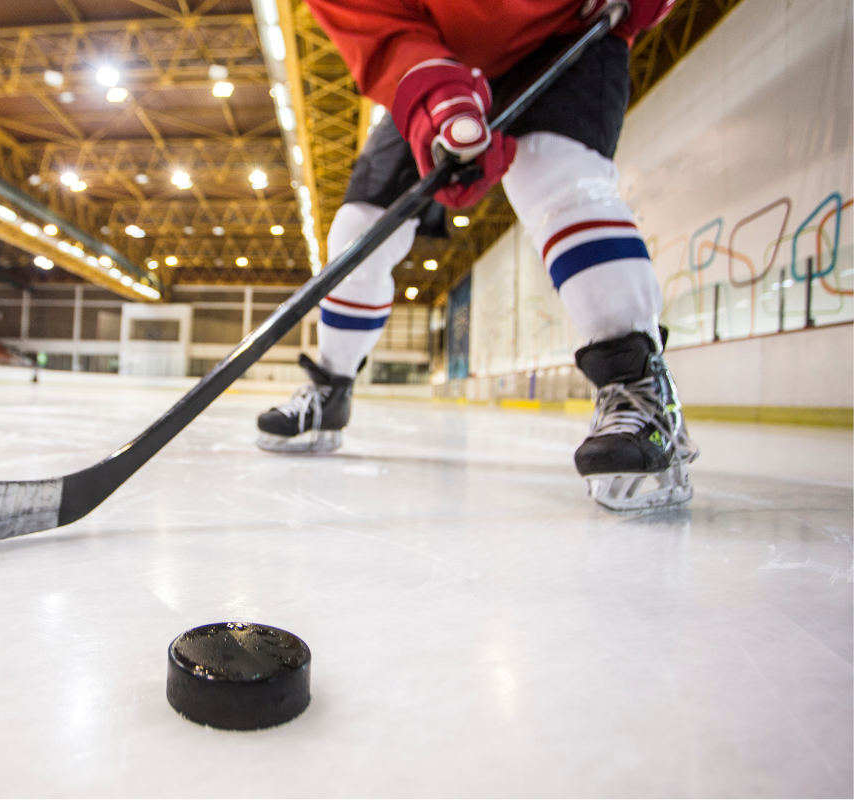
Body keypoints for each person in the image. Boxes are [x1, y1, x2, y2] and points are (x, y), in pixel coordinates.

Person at [254, 0, 699, 512]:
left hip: (567, 31)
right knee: (360, 226)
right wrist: (439, 104)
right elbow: (384, 31)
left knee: (556, 174)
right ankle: (331, 390)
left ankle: (638, 385)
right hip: (439, 62)